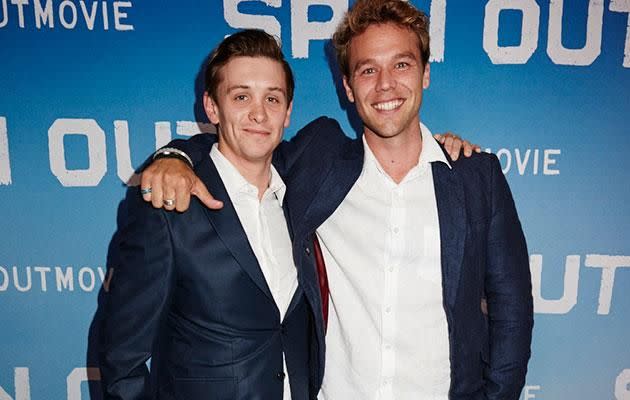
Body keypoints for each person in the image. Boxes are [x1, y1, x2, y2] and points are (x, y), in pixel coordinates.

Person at [141, 0, 533, 399]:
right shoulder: (320, 158)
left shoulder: (474, 178)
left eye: (401, 64)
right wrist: (175, 155)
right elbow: (243, 144)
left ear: (425, 73)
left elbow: (512, 311)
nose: (385, 85)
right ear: (347, 86)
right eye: (367, 70)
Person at [99, 30, 326, 400]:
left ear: (288, 112)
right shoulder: (167, 205)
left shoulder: (301, 193)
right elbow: (121, 358)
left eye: (272, 98)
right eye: (241, 96)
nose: (258, 112)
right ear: (212, 107)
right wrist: (174, 156)